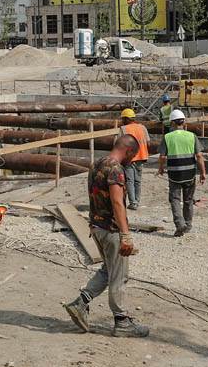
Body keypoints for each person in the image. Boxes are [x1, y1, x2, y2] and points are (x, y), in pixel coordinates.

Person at [63, 133, 149, 338]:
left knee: (108, 270)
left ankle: (80, 303)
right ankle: (121, 321)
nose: (131, 161)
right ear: (128, 151)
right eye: (132, 156)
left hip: (96, 227)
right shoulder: (116, 170)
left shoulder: (96, 164)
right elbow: (117, 203)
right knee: (119, 275)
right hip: (111, 230)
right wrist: (125, 235)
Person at [158, 109, 207, 237]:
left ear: (172, 123)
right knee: (188, 200)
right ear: (183, 122)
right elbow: (199, 156)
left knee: (175, 199)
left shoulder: (167, 137)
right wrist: (203, 173)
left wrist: (161, 168)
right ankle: (188, 224)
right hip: (190, 173)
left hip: (174, 175)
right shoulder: (192, 136)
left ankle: (180, 225)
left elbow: (162, 157)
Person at [118, 108, 150, 210]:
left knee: (130, 181)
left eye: (123, 119)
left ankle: (133, 203)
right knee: (137, 181)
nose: (122, 121)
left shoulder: (124, 129)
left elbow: (119, 145)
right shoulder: (142, 127)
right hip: (141, 157)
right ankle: (137, 201)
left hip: (129, 159)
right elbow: (148, 142)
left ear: (127, 119)